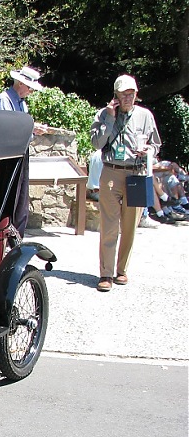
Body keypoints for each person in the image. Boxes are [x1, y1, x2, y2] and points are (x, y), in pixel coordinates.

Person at [90, 74, 161, 292]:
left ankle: (122, 270)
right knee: (109, 226)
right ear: (116, 95)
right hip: (111, 172)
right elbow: (96, 143)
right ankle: (106, 273)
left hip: (137, 173)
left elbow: (156, 144)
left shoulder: (145, 115)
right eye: (123, 94)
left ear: (136, 94)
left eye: (131, 94)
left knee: (130, 227)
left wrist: (148, 150)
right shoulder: (103, 114)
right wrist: (110, 118)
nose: (128, 98)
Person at [0, 66, 48, 238]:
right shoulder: (4, 99)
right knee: (9, 196)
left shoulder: (21, 103)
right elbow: (6, 128)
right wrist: (30, 127)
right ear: (20, 83)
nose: (31, 91)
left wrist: (33, 130)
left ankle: (16, 235)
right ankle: (5, 234)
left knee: (21, 197)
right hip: (8, 155)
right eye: (30, 87)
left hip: (21, 153)